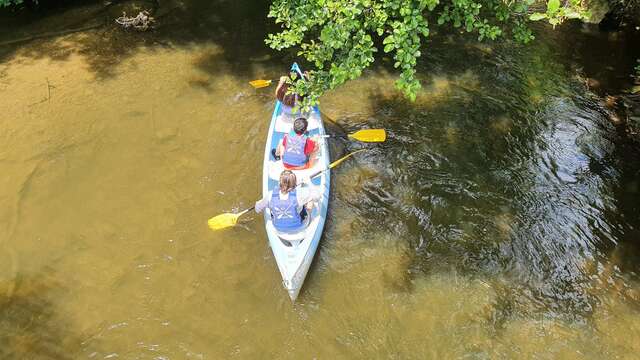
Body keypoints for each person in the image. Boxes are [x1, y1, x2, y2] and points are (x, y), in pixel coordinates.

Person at [255, 170, 321, 233]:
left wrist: (261, 202)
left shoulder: (270, 195)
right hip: (300, 227)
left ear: (279, 182)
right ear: (294, 183)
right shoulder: (299, 195)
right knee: (310, 199)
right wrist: (309, 182)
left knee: (270, 206)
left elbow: (257, 209)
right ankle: (309, 217)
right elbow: (317, 197)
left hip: (278, 228)